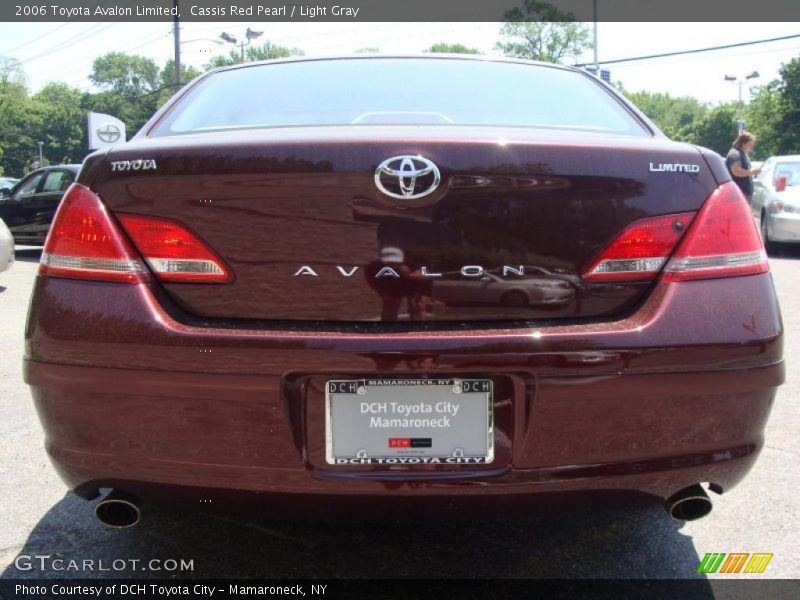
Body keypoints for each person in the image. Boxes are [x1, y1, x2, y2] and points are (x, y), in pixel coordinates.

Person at [725, 132, 761, 202]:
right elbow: (736, 171)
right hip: (738, 194)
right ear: (743, 143)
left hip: (744, 194)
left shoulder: (742, 154)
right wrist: (752, 172)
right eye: (749, 145)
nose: (751, 148)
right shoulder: (735, 154)